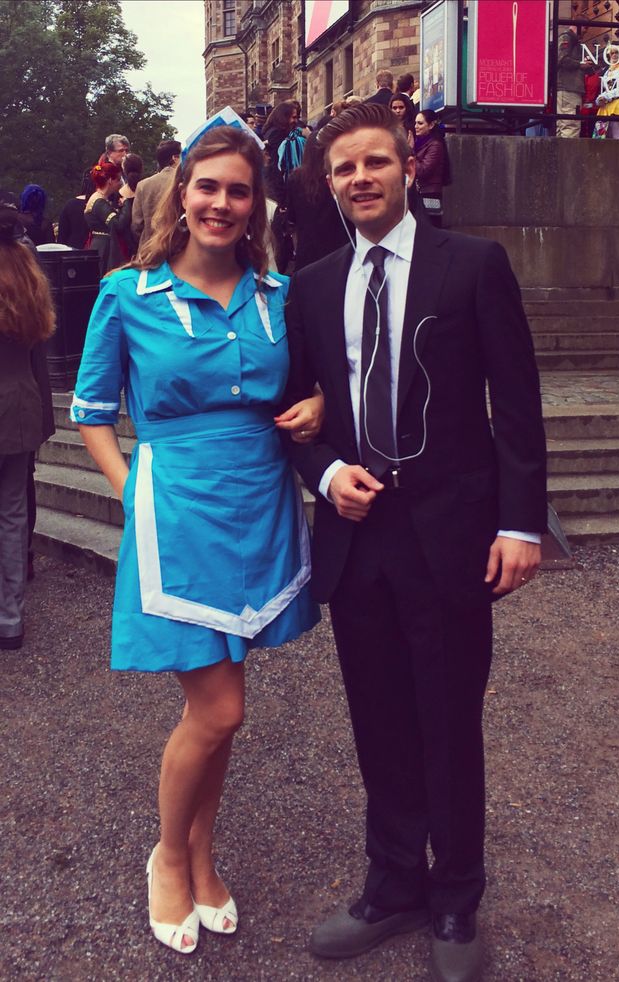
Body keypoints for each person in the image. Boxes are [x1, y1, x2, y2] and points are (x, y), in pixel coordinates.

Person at [283, 103, 546, 982]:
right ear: (328, 185)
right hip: (358, 543)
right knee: (380, 720)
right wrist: (323, 473)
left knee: (447, 720)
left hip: (452, 537)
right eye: (342, 169)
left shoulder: (470, 265)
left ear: (407, 169)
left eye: (374, 163)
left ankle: (455, 896)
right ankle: (393, 883)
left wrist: (520, 522)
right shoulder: (314, 285)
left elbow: (515, 404)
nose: (359, 179)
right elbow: (291, 416)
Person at [71, 117, 322, 955]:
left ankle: (204, 854)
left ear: (257, 206)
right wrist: (131, 488)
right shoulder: (126, 294)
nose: (220, 202)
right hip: (174, 508)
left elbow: (321, 389)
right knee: (218, 708)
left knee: (223, 713)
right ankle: (170, 858)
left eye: (237, 190)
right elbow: (92, 413)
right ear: (182, 194)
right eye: (207, 186)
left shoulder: (282, 297)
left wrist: (319, 406)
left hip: (259, 506)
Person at [0, 206, 56, 649]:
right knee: (13, 512)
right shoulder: (26, 273)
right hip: (20, 403)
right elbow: (39, 350)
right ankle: (10, 618)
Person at [284, 134, 352, 271]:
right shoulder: (339, 178)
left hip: (308, 251)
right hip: (339, 249)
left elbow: (291, 216)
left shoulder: (296, 178)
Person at [131, 139, 182, 249]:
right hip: (177, 249)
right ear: (174, 158)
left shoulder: (142, 185)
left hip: (148, 250)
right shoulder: (184, 182)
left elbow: (136, 225)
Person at [83, 161, 131, 273]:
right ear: (110, 181)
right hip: (105, 250)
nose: (120, 183)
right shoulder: (99, 202)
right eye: (118, 180)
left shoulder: (99, 199)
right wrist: (126, 204)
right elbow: (117, 225)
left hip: (102, 246)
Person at [413, 109, 449, 226]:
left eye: (420, 123)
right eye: (415, 123)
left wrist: (410, 152)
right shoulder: (419, 143)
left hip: (429, 194)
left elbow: (423, 171)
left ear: (431, 125)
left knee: (430, 228)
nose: (416, 126)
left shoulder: (435, 145)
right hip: (418, 193)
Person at [556, 23, 592, 137]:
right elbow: (562, 60)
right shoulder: (567, 38)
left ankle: (561, 153)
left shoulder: (571, 40)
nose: (585, 33)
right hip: (569, 88)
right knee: (570, 124)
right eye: (585, 29)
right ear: (578, 26)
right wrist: (581, 65)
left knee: (564, 125)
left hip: (567, 89)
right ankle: (567, 154)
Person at [594, 45, 619, 140]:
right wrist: (599, 99)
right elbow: (604, 89)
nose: (614, 55)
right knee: (600, 136)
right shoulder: (608, 70)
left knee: (616, 135)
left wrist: (608, 96)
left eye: (617, 52)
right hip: (606, 104)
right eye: (612, 53)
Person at [58, 173, 96, 249]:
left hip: (72, 252)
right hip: (94, 251)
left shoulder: (69, 205)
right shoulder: (100, 204)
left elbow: (62, 236)